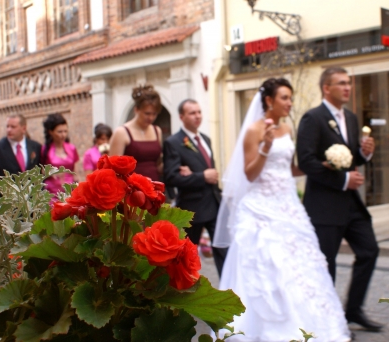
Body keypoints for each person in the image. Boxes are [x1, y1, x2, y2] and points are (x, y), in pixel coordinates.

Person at [213, 78, 351, 342]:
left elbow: (288, 168)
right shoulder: (253, 131)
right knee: (270, 268)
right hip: (262, 210)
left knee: (303, 267)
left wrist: (323, 165)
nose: (289, 103)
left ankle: (312, 327)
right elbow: (250, 175)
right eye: (284, 98)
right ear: (269, 101)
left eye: (290, 98)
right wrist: (264, 147)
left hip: (289, 206)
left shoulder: (287, 129)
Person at [296, 67, 382, 332]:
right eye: (341, 83)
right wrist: (343, 180)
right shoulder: (313, 118)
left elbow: (349, 158)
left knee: (369, 250)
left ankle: (353, 310)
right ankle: (329, 321)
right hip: (324, 206)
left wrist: (364, 154)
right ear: (326, 88)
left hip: (351, 205)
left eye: (349, 83)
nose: (347, 87)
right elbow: (307, 162)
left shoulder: (352, 118)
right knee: (327, 264)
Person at [163, 99, 227, 276]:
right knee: (187, 257)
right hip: (192, 208)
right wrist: (200, 176)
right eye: (192, 113)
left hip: (214, 203)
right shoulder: (173, 142)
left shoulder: (205, 139)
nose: (197, 116)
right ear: (181, 117)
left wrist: (195, 174)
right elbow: (171, 176)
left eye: (199, 112)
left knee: (223, 250)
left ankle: (230, 289)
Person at [109, 85, 163, 180]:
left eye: (154, 114)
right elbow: (113, 170)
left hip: (154, 186)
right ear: (136, 109)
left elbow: (158, 164)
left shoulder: (157, 131)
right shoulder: (121, 132)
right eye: (147, 113)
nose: (151, 118)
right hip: (132, 188)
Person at [0, 114, 41, 183]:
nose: (9, 130)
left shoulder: (36, 147)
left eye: (13, 127)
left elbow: (39, 174)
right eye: (7, 126)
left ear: (24, 129)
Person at [41, 114, 79, 198]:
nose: (63, 135)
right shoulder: (45, 149)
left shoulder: (71, 148)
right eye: (59, 132)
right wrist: (51, 172)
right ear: (51, 132)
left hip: (70, 190)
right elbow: (41, 170)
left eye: (65, 131)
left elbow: (75, 171)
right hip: (52, 192)